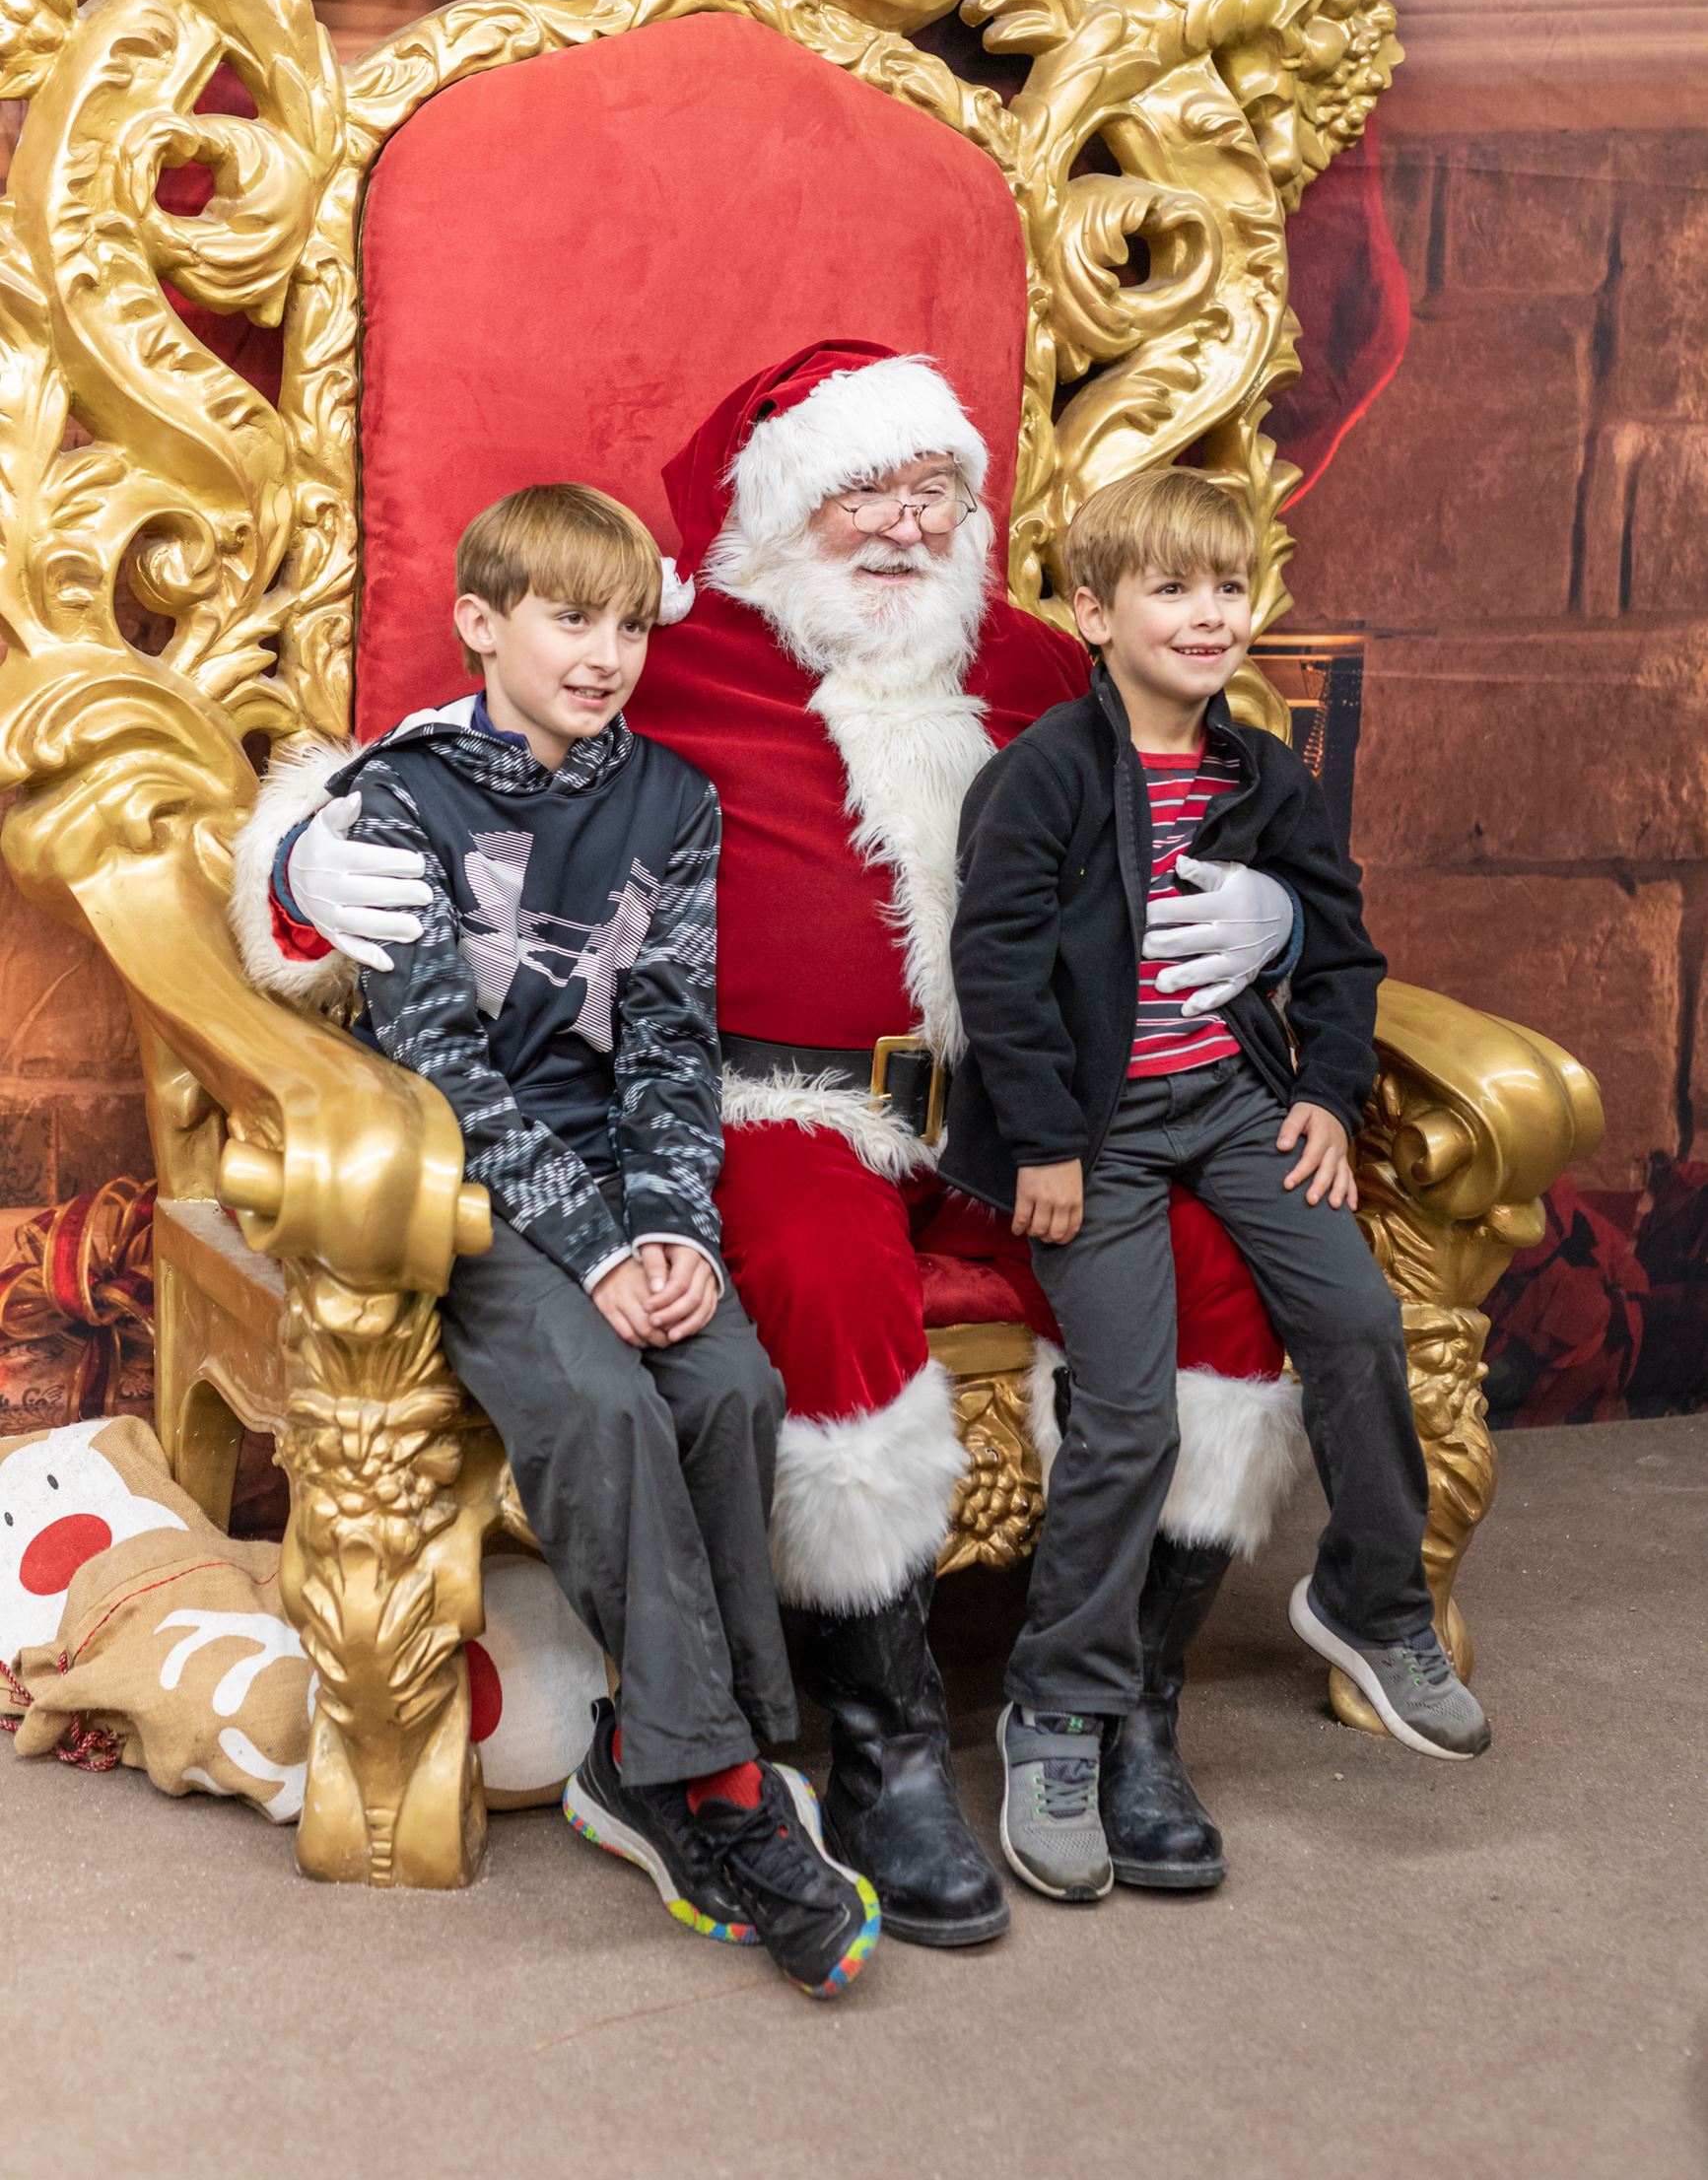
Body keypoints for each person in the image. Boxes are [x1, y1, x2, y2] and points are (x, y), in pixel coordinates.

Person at [232, 343, 1308, 1940]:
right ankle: (877, 1746)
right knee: (809, 1277)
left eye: (932, 489)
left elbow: (1213, 795)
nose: (900, 524)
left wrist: (1270, 907)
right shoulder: (665, 652)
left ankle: (1110, 1712)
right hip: (773, 1104)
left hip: (1026, 1107)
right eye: (856, 489)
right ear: (772, 510)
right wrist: (304, 866)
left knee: (1225, 1280)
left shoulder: (1035, 665)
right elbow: (452, 753)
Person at [271, 480, 880, 1999]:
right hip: (470, 1187)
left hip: (631, 1173)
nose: (603, 652)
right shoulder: (397, 798)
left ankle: (653, 1762)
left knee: (729, 1386)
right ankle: (727, 1792)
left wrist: (668, 1223)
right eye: (566, 618)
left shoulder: (672, 801)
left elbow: (671, 1043)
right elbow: (441, 1070)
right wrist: (593, 1254)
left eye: (625, 622)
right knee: (606, 1405)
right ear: (482, 623)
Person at [942, 465, 1491, 1906]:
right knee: (1126, 1415)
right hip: (1099, 1133)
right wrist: (1047, 1142)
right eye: (1169, 587)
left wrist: (1318, 1091)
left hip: (1235, 1104)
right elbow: (993, 971)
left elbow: (1344, 951)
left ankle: (1367, 1601)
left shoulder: (1263, 773)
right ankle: (1059, 1709)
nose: (1206, 614)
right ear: (1091, 610)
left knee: (1360, 1322)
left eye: (1227, 587)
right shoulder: (1046, 773)